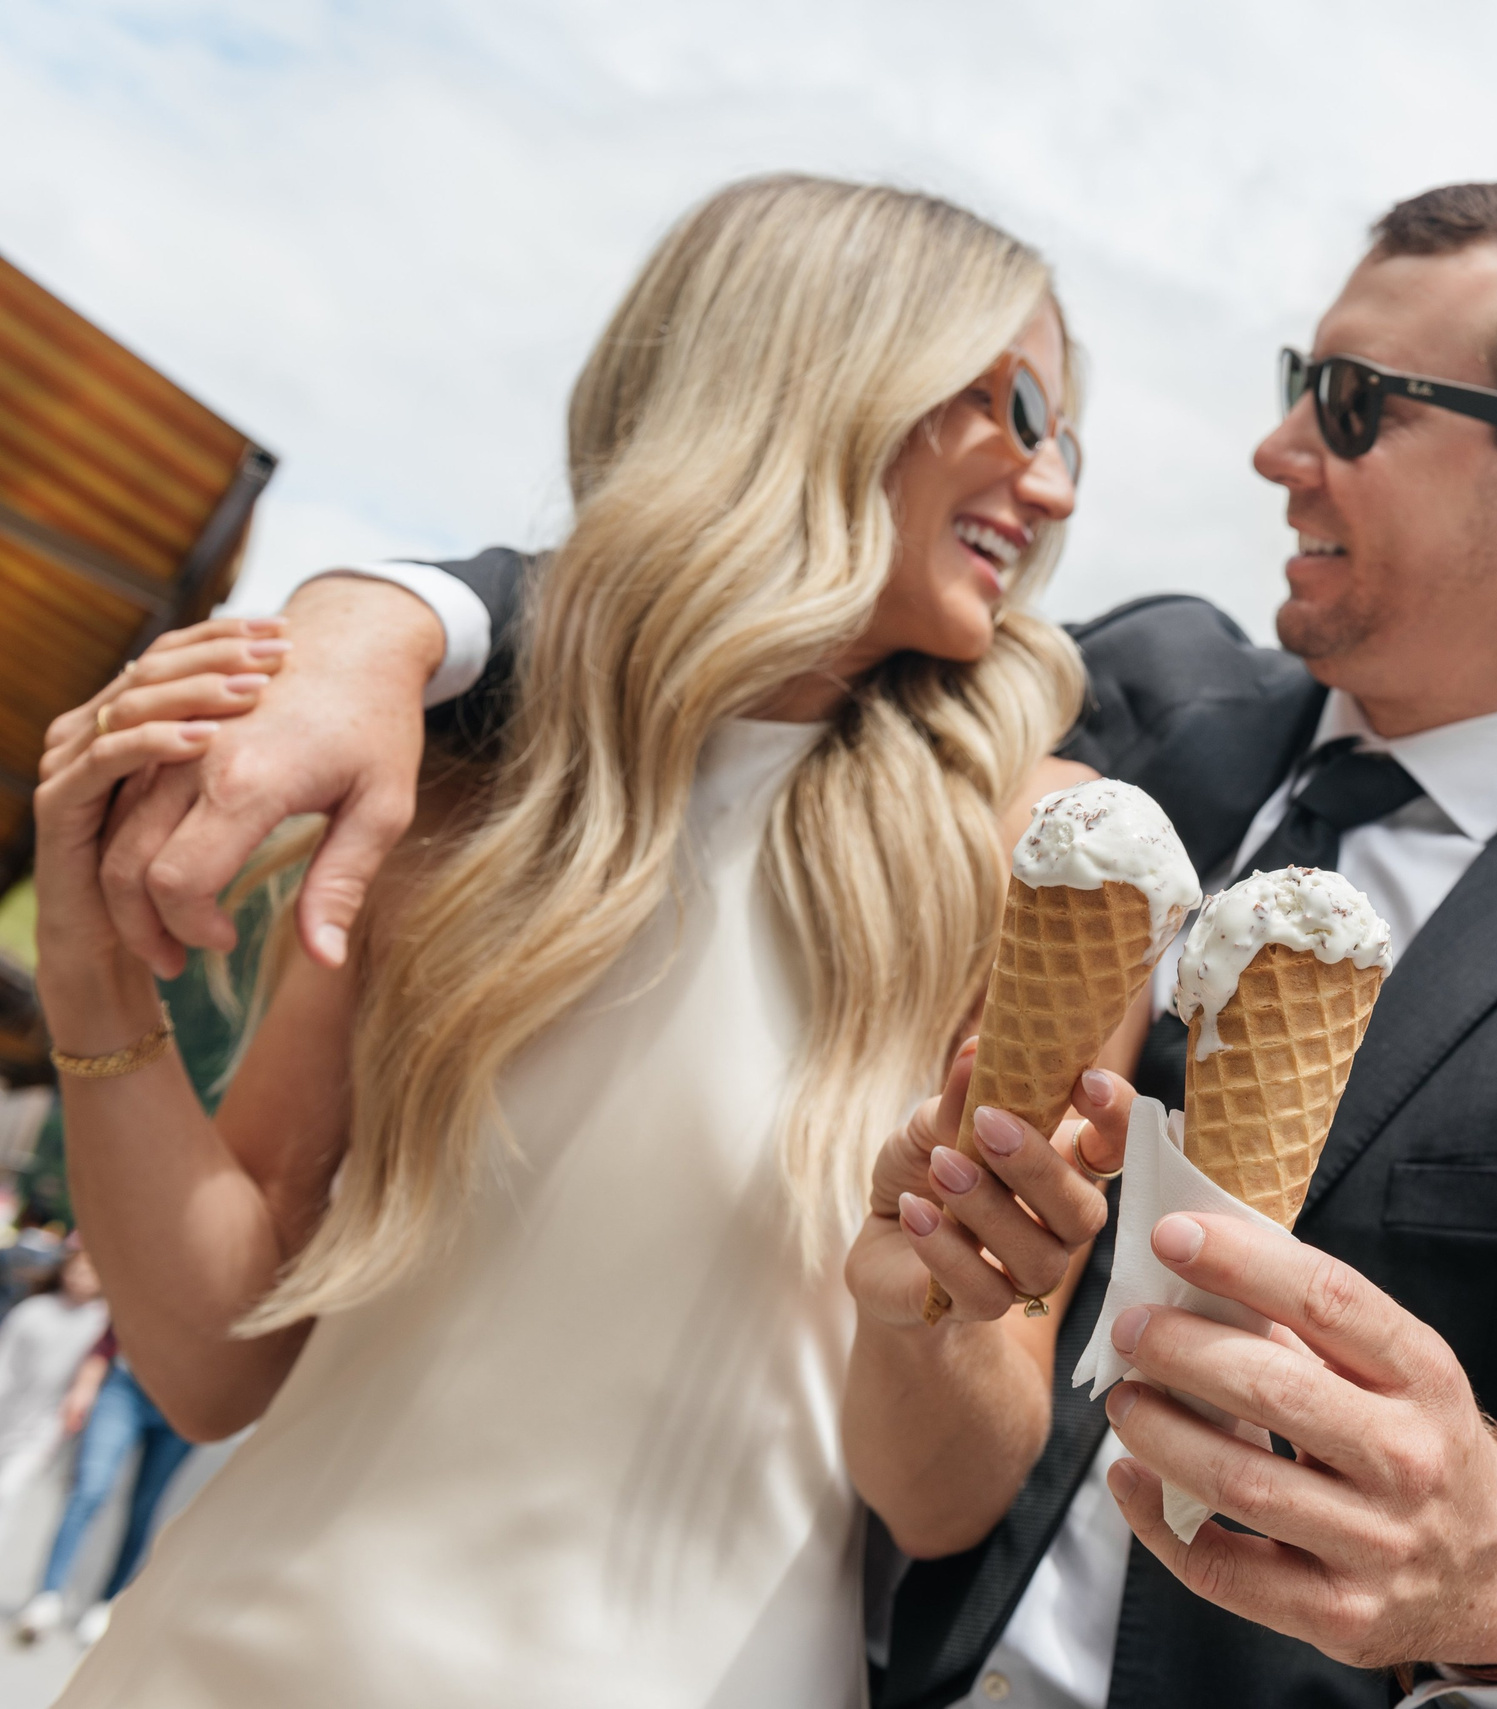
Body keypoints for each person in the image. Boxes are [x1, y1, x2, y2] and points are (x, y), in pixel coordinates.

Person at [98, 182, 1497, 1708]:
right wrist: (374, 622)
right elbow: (694, 617)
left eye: (1356, 403)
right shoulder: (1108, 705)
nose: (1278, 448)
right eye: (1300, 382)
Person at [29, 173, 1152, 1705]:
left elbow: (944, 1497)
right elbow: (220, 1357)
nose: (1055, 487)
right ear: (813, 370)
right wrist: (98, 982)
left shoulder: (1056, 857)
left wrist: (930, 1315)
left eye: (1064, 435)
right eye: (1019, 405)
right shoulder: (465, 781)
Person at [13, 1325, 191, 1650]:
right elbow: (118, 1322)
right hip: (128, 1382)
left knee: (144, 1508)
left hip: (189, 1402)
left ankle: (107, 1602)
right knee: (89, 1489)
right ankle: (47, 1595)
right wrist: (87, 1381)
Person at [0, 1247, 110, 1571]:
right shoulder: (34, 1310)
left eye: (91, 1272)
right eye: (77, 1270)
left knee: (8, 1491)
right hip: (9, 1411)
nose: (81, 1279)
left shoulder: (101, 1322)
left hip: (44, 1427)